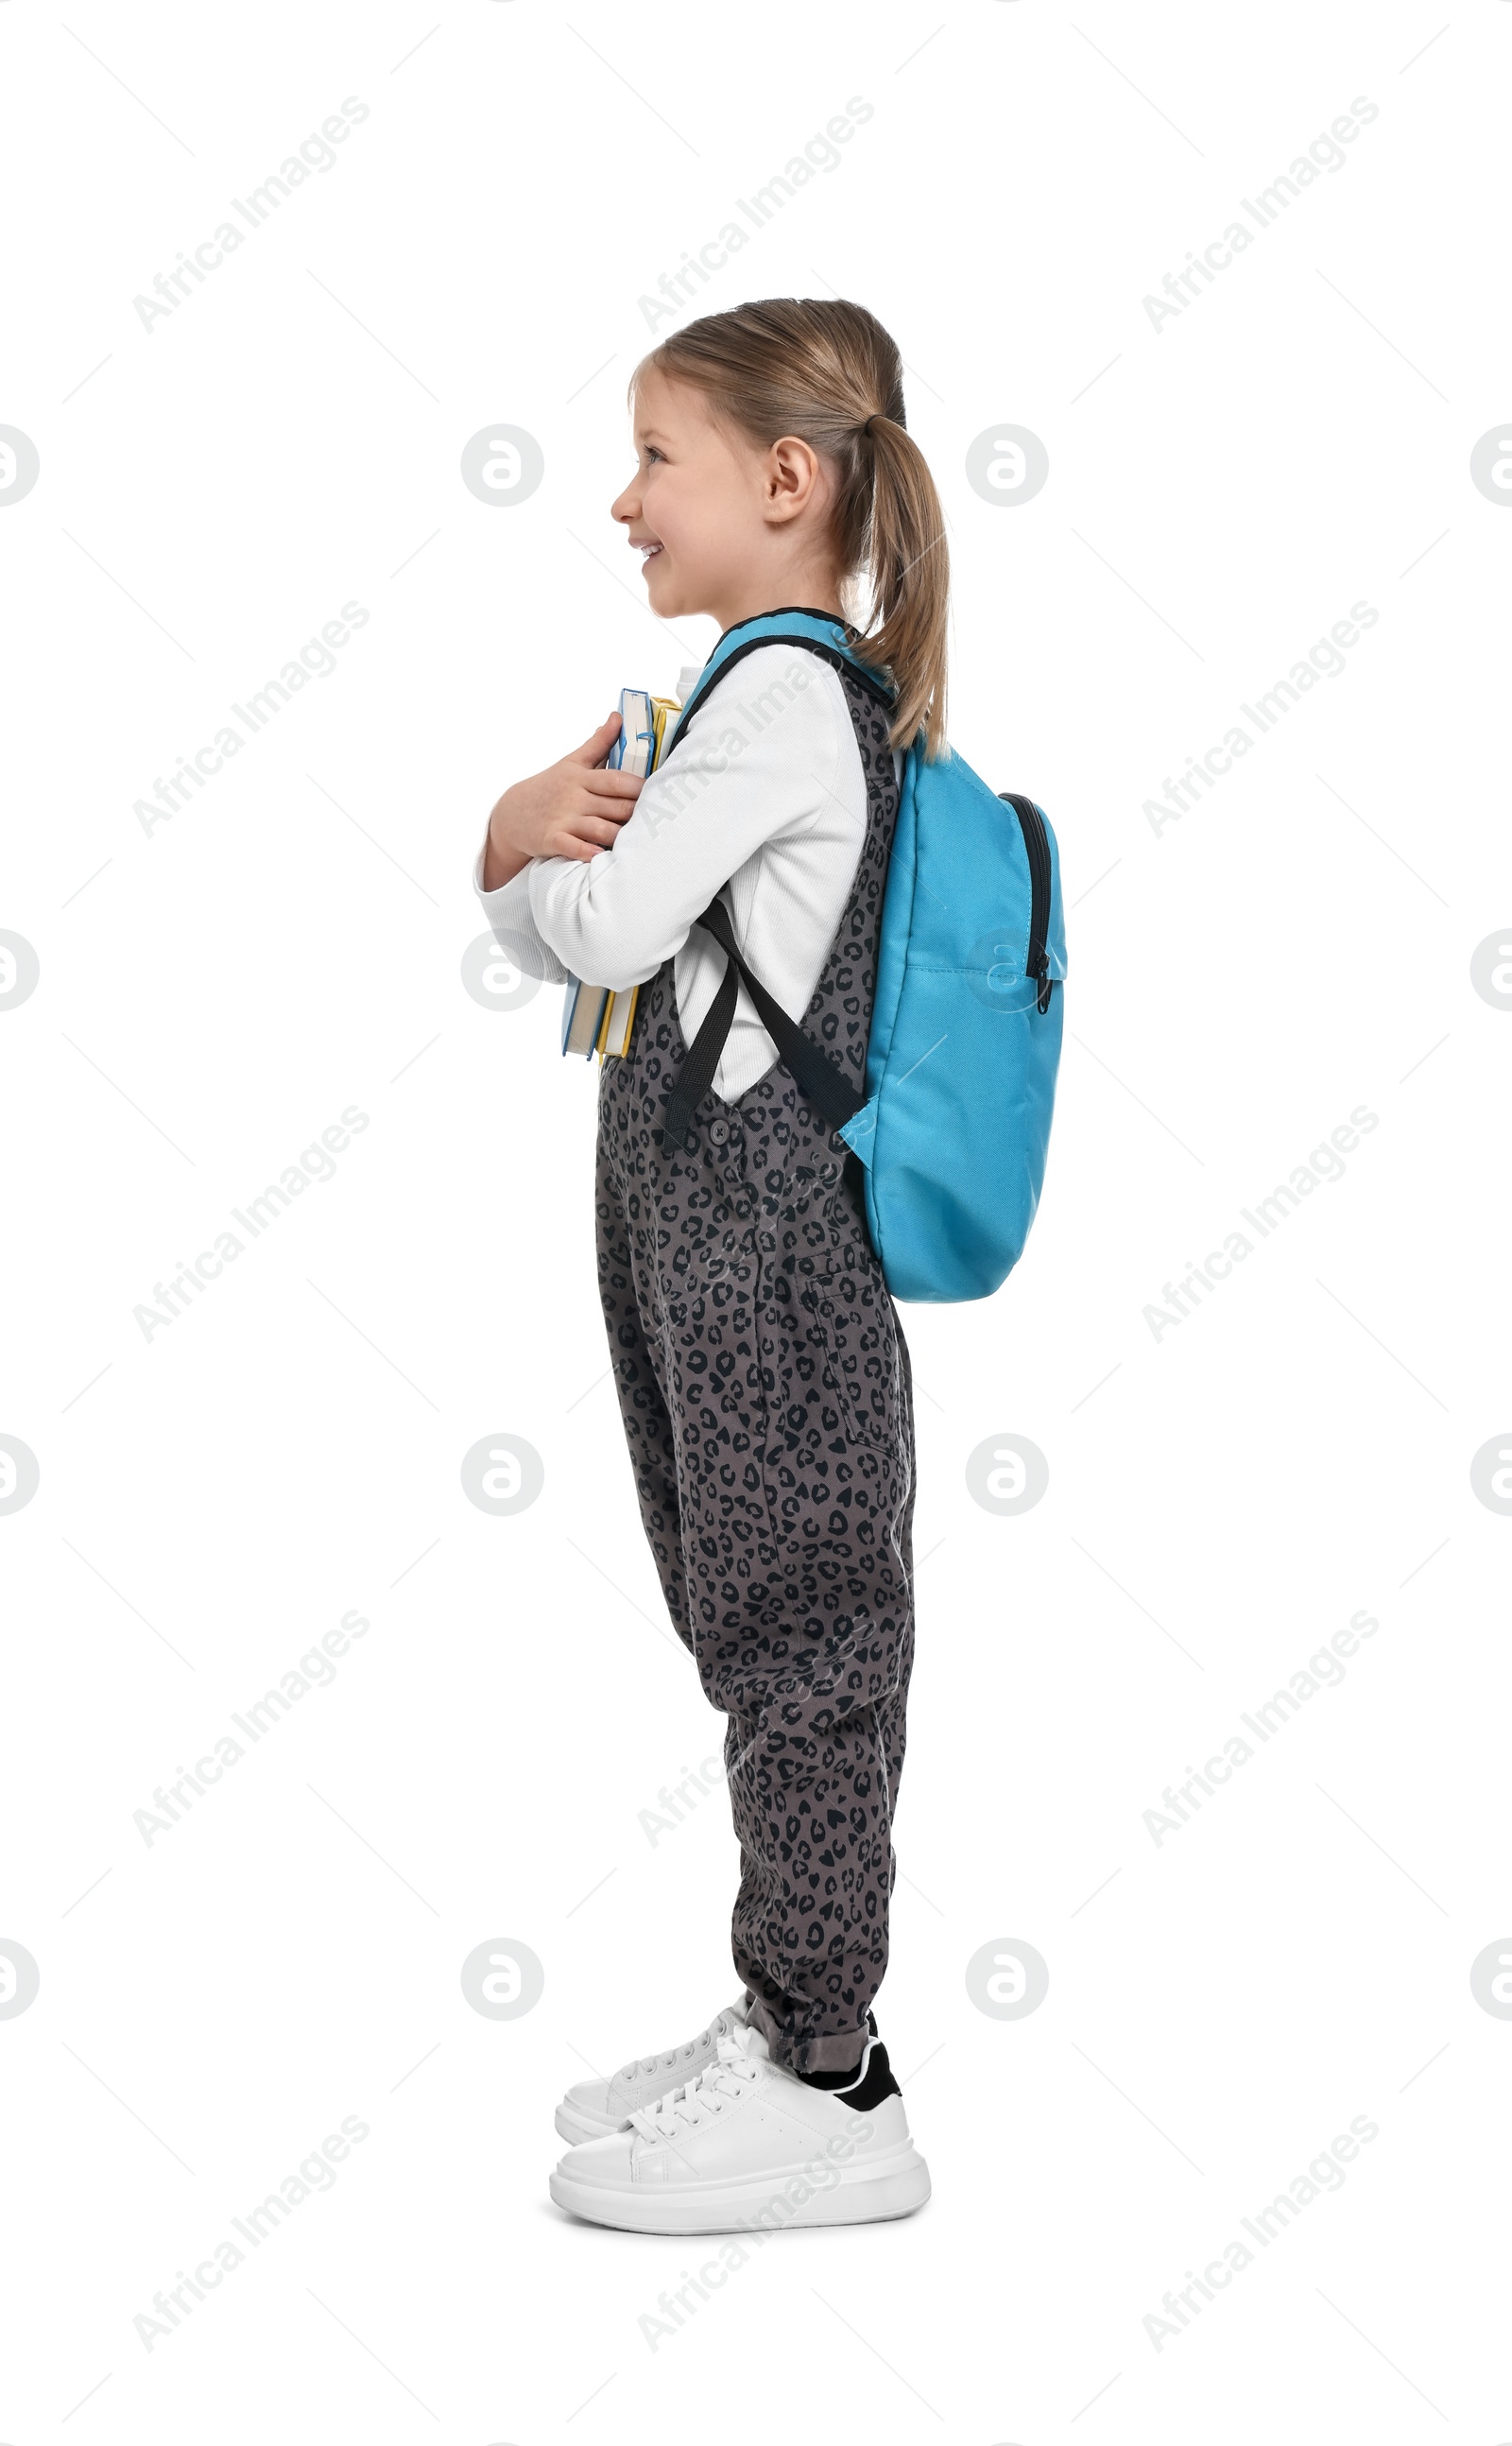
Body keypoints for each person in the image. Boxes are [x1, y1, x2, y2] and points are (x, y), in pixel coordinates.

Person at [474, 299, 948, 2233]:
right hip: (708, 1237)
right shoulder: (761, 687)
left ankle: (831, 2079)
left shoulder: (772, 697)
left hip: (764, 1257)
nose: (619, 498)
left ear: (784, 477)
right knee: (750, 1616)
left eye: (655, 457)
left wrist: (499, 837)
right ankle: (786, 2014)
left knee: (801, 1638)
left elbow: (594, 922)